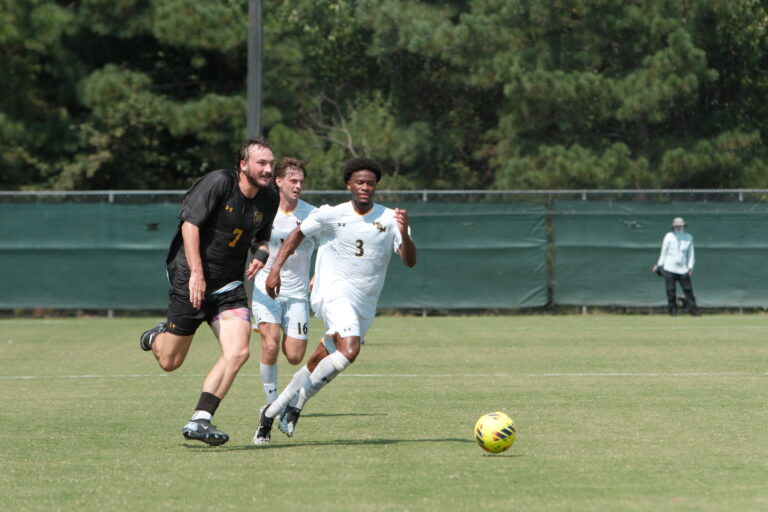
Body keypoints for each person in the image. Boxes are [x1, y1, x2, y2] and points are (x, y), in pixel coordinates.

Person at [253, 157, 417, 444]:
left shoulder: (391, 218)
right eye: (360, 182)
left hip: (364, 303)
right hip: (332, 293)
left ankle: (276, 411)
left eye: (370, 183)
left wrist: (403, 232)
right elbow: (296, 234)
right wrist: (275, 269)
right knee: (350, 350)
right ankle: (287, 407)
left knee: (322, 358)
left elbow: (409, 261)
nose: (365, 187)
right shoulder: (331, 213)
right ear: (349, 184)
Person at [138, 135, 279, 446]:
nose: (269, 169)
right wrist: (197, 274)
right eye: (262, 163)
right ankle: (155, 338)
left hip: (229, 286)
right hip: (190, 278)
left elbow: (262, 237)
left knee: (239, 351)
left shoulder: (270, 198)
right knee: (170, 362)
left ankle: (201, 419)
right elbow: (190, 225)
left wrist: (261, 254)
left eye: (271, 163)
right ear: (243, 165)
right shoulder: (218, 182)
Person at [251, 157, 317, 421]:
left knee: (294, 356)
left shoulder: (312, 214)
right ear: (278, 182)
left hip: (299, 293)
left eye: (301, 181)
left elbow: (332, 246)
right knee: (270, 345)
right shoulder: (263, 211)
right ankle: (272, 405)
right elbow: (252, 240)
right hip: (265, 288)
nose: (298, 186)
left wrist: (319, 276)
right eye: (293, 180)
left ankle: (281, 400)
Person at [652, 216, 700, 316]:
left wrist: (690, 267)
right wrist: (658, 265)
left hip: (683, 269)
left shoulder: (688, 237)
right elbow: (663, 252)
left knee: (688, 290)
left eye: (680, 226)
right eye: (676, 226)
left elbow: (691, 254)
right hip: (669, 268)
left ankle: (694, 311)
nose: (678, 227)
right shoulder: (668, 236)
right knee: (670, 290)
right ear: (674, 227)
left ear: (683, 226)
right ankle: (673, 311)